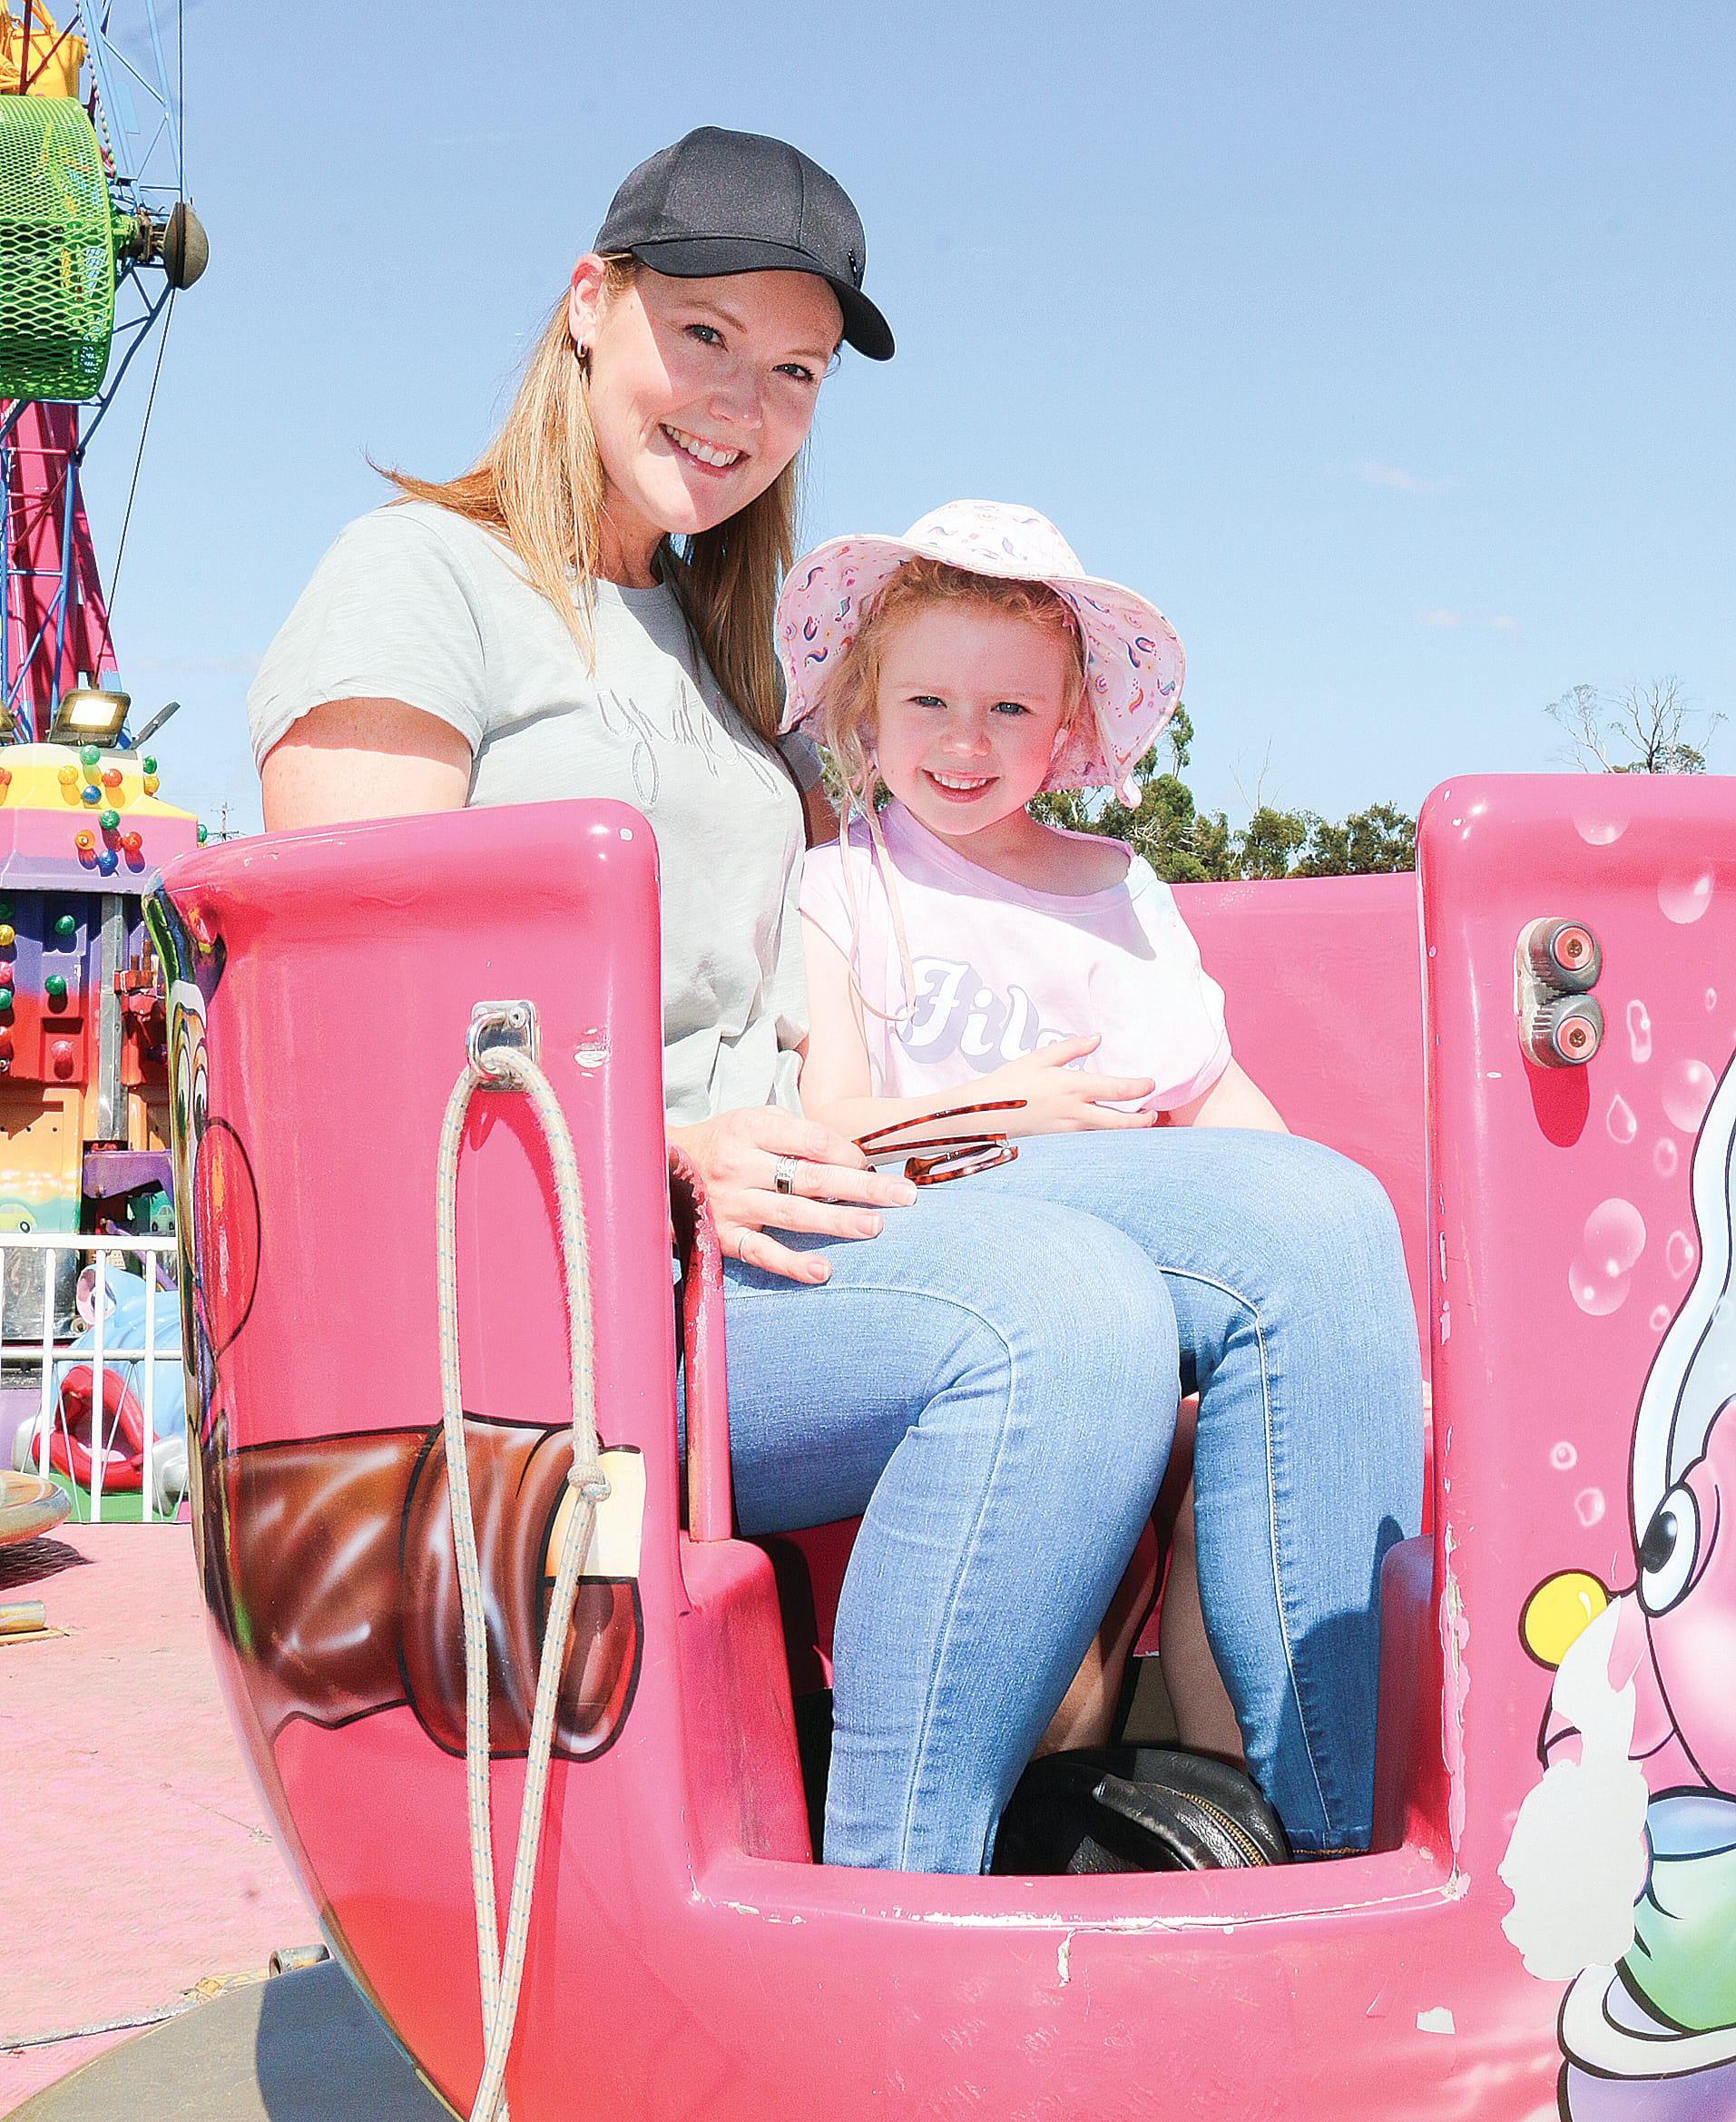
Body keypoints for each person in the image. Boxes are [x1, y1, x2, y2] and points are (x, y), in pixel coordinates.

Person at [248, 125, 1416, 1870]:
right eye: (700, 334)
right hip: (573, 1283)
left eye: (789, 370)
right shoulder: (418, 580)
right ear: (589, 305)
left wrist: (954, 1122)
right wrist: (676, 1144)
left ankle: (1328, 1867)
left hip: (789, 1224)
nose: (739, 401)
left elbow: (809, 1038)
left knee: (1318, 1219)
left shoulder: (724, 676)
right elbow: (355, 1025)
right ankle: (902, 1910)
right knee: (1065, 1316)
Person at [782, 501, 1424, 1841]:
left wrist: (1331, 1281)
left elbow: (1218, 1104)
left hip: (1164, 1279)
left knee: (1223, 1478)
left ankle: (1260, 1819)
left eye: (1010, 709)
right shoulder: (838, 891)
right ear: (864, 701)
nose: (967, 742)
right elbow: (833, 1122)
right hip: (961, 1274)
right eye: (930, 700)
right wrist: (1007, 1109)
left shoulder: (1117, 888)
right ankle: (1026, 1824)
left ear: (1068, 719)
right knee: (1070, 1490)